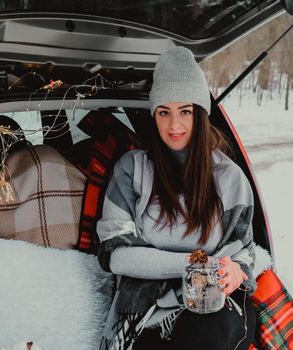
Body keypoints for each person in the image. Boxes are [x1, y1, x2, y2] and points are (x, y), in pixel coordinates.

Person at [97, 46, 257, 350]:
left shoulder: (229, 178)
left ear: (200, 113)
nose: (174, 126)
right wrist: (193, 264)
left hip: (214, 308)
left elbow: (244, 252)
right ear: (153, 114)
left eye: (185, 111)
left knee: (207, 334)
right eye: (164, 112)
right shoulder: (132, 170)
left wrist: (236, 270)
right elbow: (114, 254)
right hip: (145, 308)